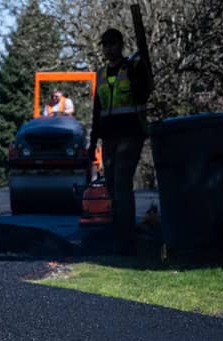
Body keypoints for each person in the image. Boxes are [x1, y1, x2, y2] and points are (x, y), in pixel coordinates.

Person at [89, 27, 151, 255]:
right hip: (110, 138)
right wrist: (92, 142)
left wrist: (137, 74)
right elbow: (97, 111)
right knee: (112, 187)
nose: (108, 48)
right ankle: (119, 234)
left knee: (122, 185)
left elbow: (144, 94)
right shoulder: (101, 74)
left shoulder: (133, 68)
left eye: (112, 43)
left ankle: (127, 239)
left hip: (130, 134)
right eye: (105, 44)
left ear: (121, 44)